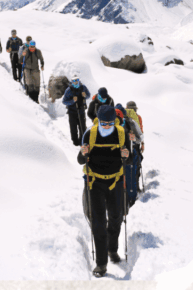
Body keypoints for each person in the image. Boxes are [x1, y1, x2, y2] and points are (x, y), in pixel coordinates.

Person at [78, 104, 132, 277]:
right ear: (99, 120)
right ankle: (101, 263)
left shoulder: (121, 134)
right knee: (98, 221)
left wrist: (126, 156)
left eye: (109, 123)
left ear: (114, 121)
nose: (107, 126)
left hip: (116, 181)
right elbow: (80, 160)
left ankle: (112, 249)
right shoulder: (90, 134)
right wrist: (83, 153)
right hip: (95, 183)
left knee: (116, 217)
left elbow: (129, 160)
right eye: (103, 123)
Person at [61, 77, 90, 146]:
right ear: (72, 82)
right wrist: (72, 101)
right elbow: (64, 101)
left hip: (81, 111)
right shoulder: (69, 90)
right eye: (74, 81)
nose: (76, 83)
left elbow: (88, 95)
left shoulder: (83, 87)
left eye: (77, 81)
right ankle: (75, 142)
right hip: (72, 112)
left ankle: (82, 140)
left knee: (82, 127)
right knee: (73, 127)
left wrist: (85, 96)